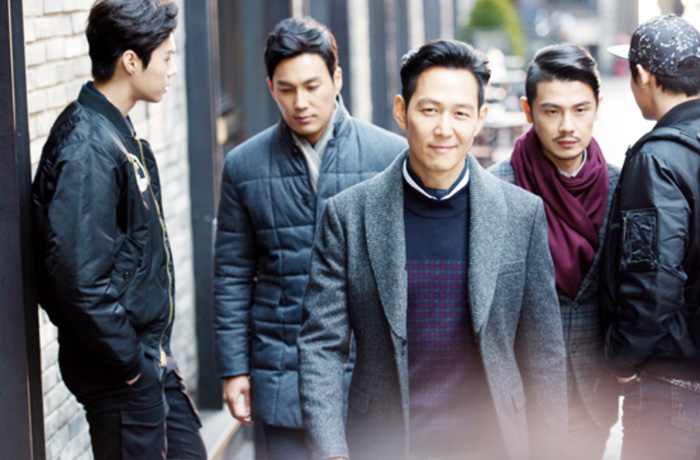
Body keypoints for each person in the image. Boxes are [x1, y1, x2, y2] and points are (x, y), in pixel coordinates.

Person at [298, 39, 567, 460]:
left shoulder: (522, 214)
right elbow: (321, 349)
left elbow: (544, 355)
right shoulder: (348, 215)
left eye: (460, 113)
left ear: (479, 119)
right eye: (429, 110)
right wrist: (331, 452)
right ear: (401, 111)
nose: (444, 129)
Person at [213, 17, 406, 460]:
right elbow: (232, 274)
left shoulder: (389, 156)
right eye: (286, 89)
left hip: (370, 379)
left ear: (337, 79)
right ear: (270, 88)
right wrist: (234, 369)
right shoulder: (244, 165)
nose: (300, 102)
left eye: (312, 86)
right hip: (283, 373)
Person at [31, 1, 206, 459]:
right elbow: (77, 280)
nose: (172, 69)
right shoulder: (88, 146)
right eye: (166, 57)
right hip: (122, 372)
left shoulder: (112, 130)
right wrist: (130, 363)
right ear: (131, 61)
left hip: (146, 360)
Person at [489, 43, 619, 459]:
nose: (567, 126)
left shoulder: (622, 185)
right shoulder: (497, 189)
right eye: (551, 111)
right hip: (518, 399)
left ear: (598, 107)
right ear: (527, 111)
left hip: (592, 393)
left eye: (580, 110)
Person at [603, 14, 700, 460]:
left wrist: (623, 358)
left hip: (672, 390)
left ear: (642, 75)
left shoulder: (658, 159)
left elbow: (653, 278)